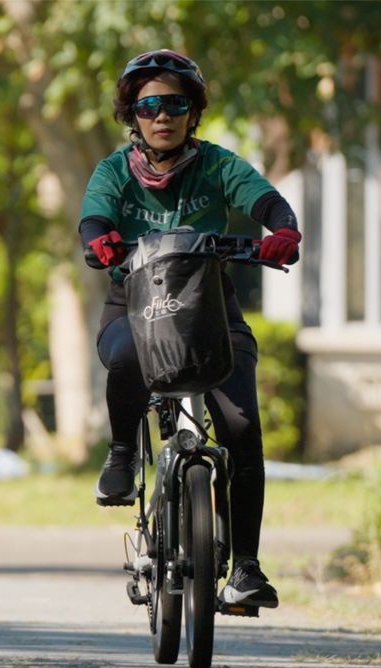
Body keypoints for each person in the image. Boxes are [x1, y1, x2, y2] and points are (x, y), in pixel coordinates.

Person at [79, 50, 300, 609]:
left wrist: (283, 230)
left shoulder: (219, 165)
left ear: (193, 112)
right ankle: (123, 453)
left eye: (175, 103)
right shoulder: (113, 171)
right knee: (126, 355)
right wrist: (99, 237)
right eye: (149, 104)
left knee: (243, 430)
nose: (162, 115)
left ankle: (246, 568)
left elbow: (266, 201)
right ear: (133, 113)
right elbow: (96, 215)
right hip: (135, 309)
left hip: (213, 317)